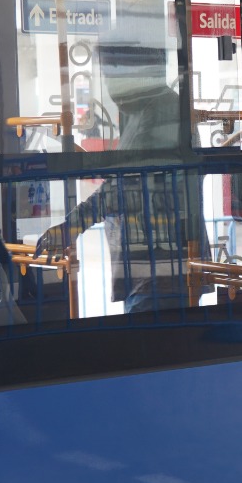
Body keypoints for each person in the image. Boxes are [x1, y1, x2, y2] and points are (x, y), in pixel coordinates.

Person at [37, 42, 202, 315]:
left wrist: (71, 227)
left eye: (111, 75)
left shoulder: (158, 116)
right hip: (155, 266)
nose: (109, 86)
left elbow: (122, 189)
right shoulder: (151, 110)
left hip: (157, 269)